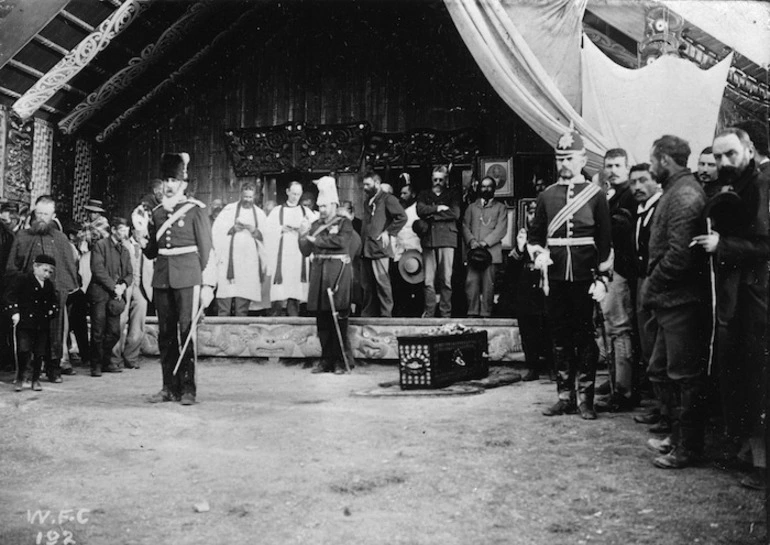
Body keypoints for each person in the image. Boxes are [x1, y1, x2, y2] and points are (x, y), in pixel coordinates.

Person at [694, 128, 769, 485]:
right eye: (719, 156)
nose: (724, 162)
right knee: (741, 377)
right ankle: (750, 456)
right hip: (737, 299)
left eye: (731, 155)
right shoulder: (738, 185)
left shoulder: (762, 185)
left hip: (757, 299)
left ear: (749, 150)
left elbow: (765, 244)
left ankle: (763, 467)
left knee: (758, 380)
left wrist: (722, 245)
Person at [528, 128, 612, 420]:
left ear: (583, 159)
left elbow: (605, 240)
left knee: (585, 336)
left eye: (570, 158)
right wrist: (539, 254)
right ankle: (565, 397)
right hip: (556, 278)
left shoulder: (596, 196)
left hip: (585, 277)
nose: (564, 163)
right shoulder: (546, 195)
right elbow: (535, 236)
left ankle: (586, 400)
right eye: (560, 158)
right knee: (559, 335)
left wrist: (602, 277)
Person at [640, 134, 709, 469]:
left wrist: (651, 287)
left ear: (664, 160)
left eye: (652, 160)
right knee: (661, 370)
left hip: (680, 302)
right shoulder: (677, 191)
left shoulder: (683, 194)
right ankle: (678, 437)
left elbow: (679, 256)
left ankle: (688, 447)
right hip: (671, 301)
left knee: (684, 376)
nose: (651, 166)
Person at [137, 152, 216, 405]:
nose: (169, 185)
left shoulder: (196, 210)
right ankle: (168, 387)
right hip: (162, 279)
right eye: (166, 180)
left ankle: (188, 388)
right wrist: (141, 238)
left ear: (183, 183)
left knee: (186, 333)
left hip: (188, 279)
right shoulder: (158, 213)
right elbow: (152, 252)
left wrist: (208, 285)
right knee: (165, 335)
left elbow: (207, 250)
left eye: (174, 180)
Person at [6, 195, 79, 383]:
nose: (41, 217)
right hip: (27, 296)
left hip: (52, 295)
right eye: (38, 213)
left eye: (46, 214)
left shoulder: (61, 239)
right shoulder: (22, 236)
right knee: (28, 333)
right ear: (33, 212)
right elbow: (12, 266)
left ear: (53, 215)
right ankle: (27, 371)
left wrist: (63, 290)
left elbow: (68, 267)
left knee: (54, 332)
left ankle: (54, 369)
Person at [299, 176, 358, 374]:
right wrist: (302, 236)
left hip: (336, 273)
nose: (321, 209)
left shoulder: (344, 223)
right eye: (320, 206)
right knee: (322, 320)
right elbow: (306, 250)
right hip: (318, 274)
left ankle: (342, 360)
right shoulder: (315, 224)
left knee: (338, 318)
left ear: (334, 204)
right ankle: (326, 360)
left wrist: (316, 240)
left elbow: (341, 243)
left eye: (325, 206)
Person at [597, 148, 638, 412]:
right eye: (608, 166)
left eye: (617, 165)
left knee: (619, 328)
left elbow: (618, 229)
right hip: (610, 270)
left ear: (627, 166)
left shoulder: (630, 195)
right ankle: (616, 382)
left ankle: (624, 390)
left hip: (621, 269)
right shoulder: (611, 195)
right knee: (609, 327)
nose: (613, 170)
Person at [627, 163, 666, 430]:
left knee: (660, 347)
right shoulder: (640, 211)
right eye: (633, 182)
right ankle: (660, 406)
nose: (638, 187)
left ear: (656, 181)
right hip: (642, 281)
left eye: (643, 180)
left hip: (657, 284)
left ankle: (668, 412)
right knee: (648, 345)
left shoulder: (659, 209)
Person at [509, 199, 553, 382]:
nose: (533, 217)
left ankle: (553, 366)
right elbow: (512, 268)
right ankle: (532, 367)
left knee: (549, 327)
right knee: (527, 329)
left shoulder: (550, 234)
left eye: (536, 213)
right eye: (530, 213)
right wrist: (519, 248)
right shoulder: (522, 236)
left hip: (545, 286)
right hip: (526, 287)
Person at [211, 183, 268, 316]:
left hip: (248, 261)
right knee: (225, 295)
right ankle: (222, 326)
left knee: (243, 296)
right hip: (229, 260)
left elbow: (266, 237)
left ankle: (240, 325)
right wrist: (232, 229)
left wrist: (255, 231)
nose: (248, 200)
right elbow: (216, 232)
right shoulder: (228, 211)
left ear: (254, 197)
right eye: (245, 197)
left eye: (250, 197)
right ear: (240, 195)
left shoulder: (259, 214)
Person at [4, 254, 58, 392]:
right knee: (23, 350)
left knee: (39, 352)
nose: (47, 275)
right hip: (25, 323)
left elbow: (54, 302)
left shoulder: (49, 286)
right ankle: (21, 377)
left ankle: (35, 379)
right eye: (44, 270)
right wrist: (14, 312)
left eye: (50, 272)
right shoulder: (23, 280)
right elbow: (9, 297)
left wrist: (52, 312)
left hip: (42, 324)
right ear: (35, 267)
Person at [87, 217, 133, 376]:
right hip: (100, 293)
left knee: (114, 331)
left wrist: (123, 285)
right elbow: (98, 270)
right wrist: (114, 287)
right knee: (98, 330)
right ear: (113, 230)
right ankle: (96, 364)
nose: (125, 233)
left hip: (116, 296)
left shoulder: (125, 250)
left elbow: (129, 274)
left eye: (126, 230)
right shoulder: (100, 246)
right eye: (121, 230)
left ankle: (106, 360)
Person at [264, 181, 317, 316]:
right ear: (287, 192)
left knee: (295, 289)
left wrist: (304, 231)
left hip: (299, 255)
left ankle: (294, 315)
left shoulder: (306, 212)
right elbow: (266, 231)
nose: (295, 197)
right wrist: (280, 229)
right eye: (293, 193)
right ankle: (275, 315)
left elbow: (316, 230)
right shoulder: (277, 211)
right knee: (279, 291)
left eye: (298, 194)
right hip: (282, 255)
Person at [416, 165, 461, 318]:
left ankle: (445, 314)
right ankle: (429, 313)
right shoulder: (424, 194)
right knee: (428, 280)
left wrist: (431, 215)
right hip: (429, 240)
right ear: (431, 179)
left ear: (446, 179)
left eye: (441, 179)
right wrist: (438, 208)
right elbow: (419, 210)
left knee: (446, 279)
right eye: (435, 179)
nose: (437, 182)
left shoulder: (453, 194)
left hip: (447, 239)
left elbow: (455, 213)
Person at [360, 172, 406, 318]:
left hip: (379, 248)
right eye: (364, 184)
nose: (365, 187)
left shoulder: (388, 199)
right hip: (366, 248)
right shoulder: (367, 200)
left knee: (382, 283)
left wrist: (388, 232)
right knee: (367, 285)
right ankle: (368, 315)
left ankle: (386, 316)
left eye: (368, 184)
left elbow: (402, 217)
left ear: (377, 183)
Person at [462, 176, 507, 317]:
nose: (486, 189)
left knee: (489, 285)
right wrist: (472, 241)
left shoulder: (501, 208)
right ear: (479, 188)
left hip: (491, 253)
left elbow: (501, 228)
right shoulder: (471, 207)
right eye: (483, 186)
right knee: (471, 283)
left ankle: (486, 313)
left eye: (489, 186)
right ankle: (472, 312)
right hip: (473, 252)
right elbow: (464, 226)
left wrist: (485, 242)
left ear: (494, 189)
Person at [111, 226, 153, 370]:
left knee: (139, 320)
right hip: (124, 285)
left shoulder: (147, 246)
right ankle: (114, 358)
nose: (142, 233)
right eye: (139, 229)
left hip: (141, 286)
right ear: (133, 231)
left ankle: (131, 357)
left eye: (144, 229)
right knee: (120, 320)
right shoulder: (123, 244)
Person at [392, 182, 423, 317]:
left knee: (417, 288)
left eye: (405, 193)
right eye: (401, 193)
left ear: (413, 195)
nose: (402, 196)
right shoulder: (398, 210)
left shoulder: (418, 210)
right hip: (400, 255)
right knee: (401, 289)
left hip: (416, 255)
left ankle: (417, 314)